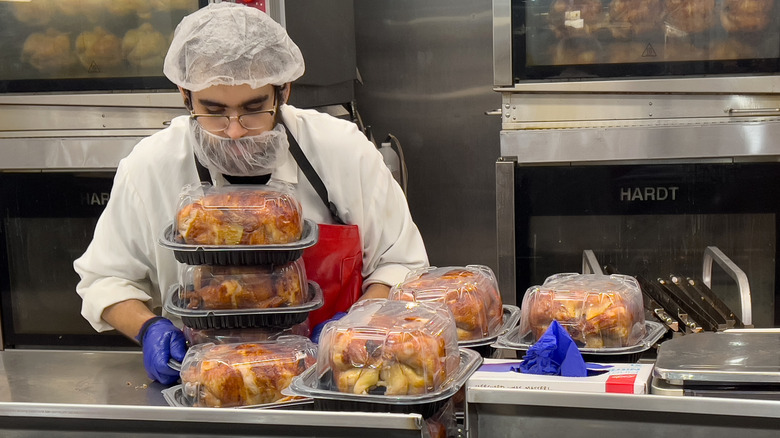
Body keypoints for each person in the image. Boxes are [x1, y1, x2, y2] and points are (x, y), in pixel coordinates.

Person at [73, 2, 429, 385]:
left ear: (283, 91)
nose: (234, 130)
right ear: (184, 95)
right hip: (209, 382)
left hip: (334, 379)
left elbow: (401, 263)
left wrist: (357, 324)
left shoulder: (341, 150)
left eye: (254, 108)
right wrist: (148, 329)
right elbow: (104, 280)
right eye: (213, 110)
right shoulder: (150, 167)